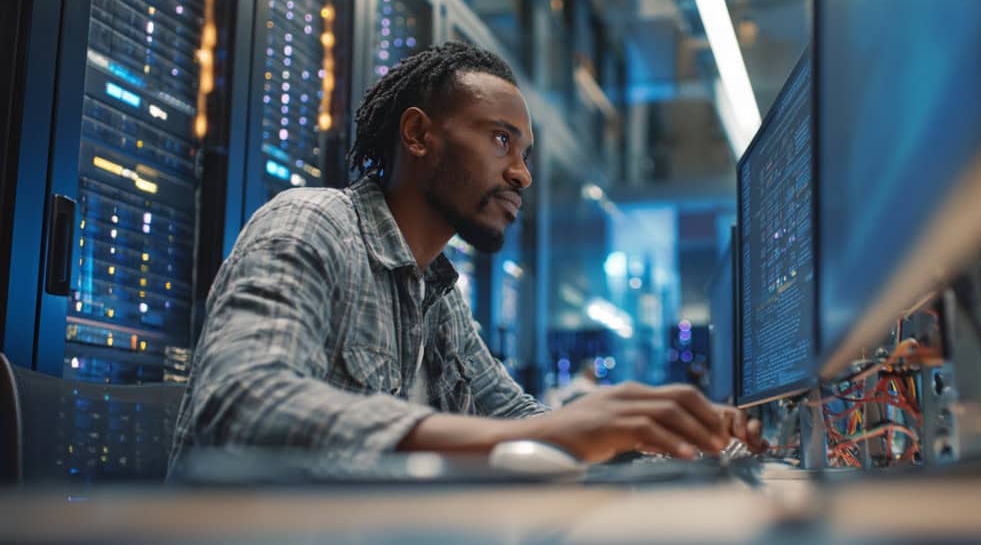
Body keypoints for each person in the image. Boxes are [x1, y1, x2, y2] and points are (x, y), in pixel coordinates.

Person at [169, 42, 765, 473]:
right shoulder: (314, 224)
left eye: (525, 153)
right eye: (501, 139)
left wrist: (647, 430)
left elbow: (515, 417)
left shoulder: (438, 291)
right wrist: (563, 431)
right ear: (418, 134)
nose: (522, 174)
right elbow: (241, 403)